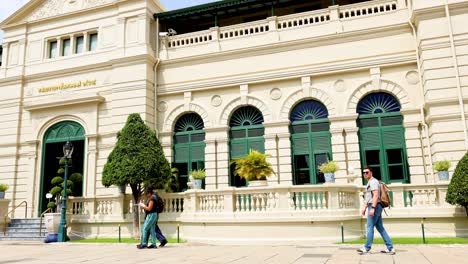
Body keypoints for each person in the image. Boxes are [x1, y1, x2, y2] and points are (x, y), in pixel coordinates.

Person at [357, 167, 395, 255]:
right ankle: (390, 248)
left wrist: (373, 208)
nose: (365, 174)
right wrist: (365, 207)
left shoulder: (373, 182)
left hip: (375, 206)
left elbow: (376, 195)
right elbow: (369, 197)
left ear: (371, 172)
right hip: (375, 206)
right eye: (364, 173)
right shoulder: (370, 182)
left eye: (367, 172)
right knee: (380, 228)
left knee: (369, 227)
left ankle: (367, 247)